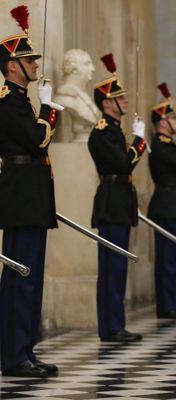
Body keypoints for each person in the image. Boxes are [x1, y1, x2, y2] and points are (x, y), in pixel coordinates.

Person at [0, 5, 62, 378]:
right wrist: (50, 109)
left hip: (31, 197)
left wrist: (42, 106)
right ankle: (12, 354)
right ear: (12, 67)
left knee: (30, 276)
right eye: (28, 61)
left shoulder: (21, 101)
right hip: (21, 198)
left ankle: (24, 347)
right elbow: (38, 141)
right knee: (21, 277)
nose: (36, 66)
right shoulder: (9, 103)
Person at [88, 53, 148, 342]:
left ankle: (115, 324)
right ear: (107, 103)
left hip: (120, 201)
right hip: (112, 201)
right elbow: (123, 165)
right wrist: (138, 144)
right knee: (111, 267)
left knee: (118, 266)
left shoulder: (113, 131)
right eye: (120, 98)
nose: (125, 102)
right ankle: (111, 327)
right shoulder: (101, 132)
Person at [147, 82, 176, 320]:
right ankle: (167, 305)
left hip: (173, 205)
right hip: (167, 205)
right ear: (163, 122)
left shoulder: (169, 146)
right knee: (167, 259)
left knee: (171, 258)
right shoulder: (162, 146)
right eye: (174, 119)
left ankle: (170, 303)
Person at [54, 49, 101, 142]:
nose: (93, 68)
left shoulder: (83, 95)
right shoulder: (64, 97)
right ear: (74, 68)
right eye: (87, 64)